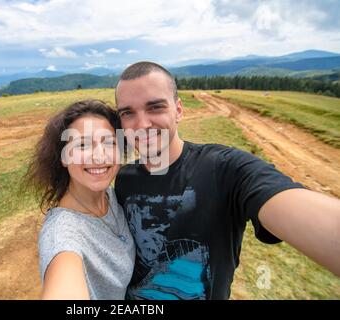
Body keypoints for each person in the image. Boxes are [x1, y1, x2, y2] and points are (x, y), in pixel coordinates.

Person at [114, 61, 340, 300]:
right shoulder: (124, 180)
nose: (141, 125)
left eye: (155, 107)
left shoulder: (226, 169)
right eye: (128, 113)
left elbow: (290, 204)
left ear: (178, 110)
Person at [24, 100, 135, 299]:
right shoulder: (62, 234)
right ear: (64, 157)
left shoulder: (111, 196)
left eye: (109, 142)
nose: (99, 156)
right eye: (83, 144)